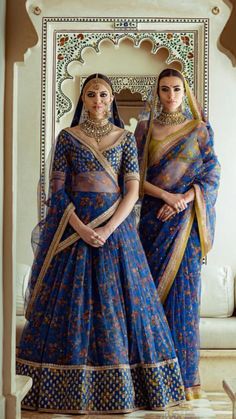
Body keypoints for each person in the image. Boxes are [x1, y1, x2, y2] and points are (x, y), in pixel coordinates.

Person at [16, 73, 185, 414]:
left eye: (104, 95)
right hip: (74, 231)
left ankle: (127, 392)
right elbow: (58, 192)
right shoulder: (68, 138)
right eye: (91, 94)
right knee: (71, 308)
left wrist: (108, 230)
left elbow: (133, 190)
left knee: (122, 309)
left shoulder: (124, 139)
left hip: (116, 233)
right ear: (83, 99)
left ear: (112, 100)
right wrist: (79, 227)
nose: (98, 100)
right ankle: (60, 392)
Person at [135, 68, 220, 400]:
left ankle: (183, 382)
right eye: (165, 90)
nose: (171, 96)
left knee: (183, 300)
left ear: (185, 93)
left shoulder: (200, 131)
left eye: (176, 89)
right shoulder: (144, 130)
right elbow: (132, 177)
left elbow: (212, 175)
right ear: (157, 93)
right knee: (147, 300)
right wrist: (166, 197)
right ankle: (149, 382)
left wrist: (184, 200)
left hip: (186, 227)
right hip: (153, 222)